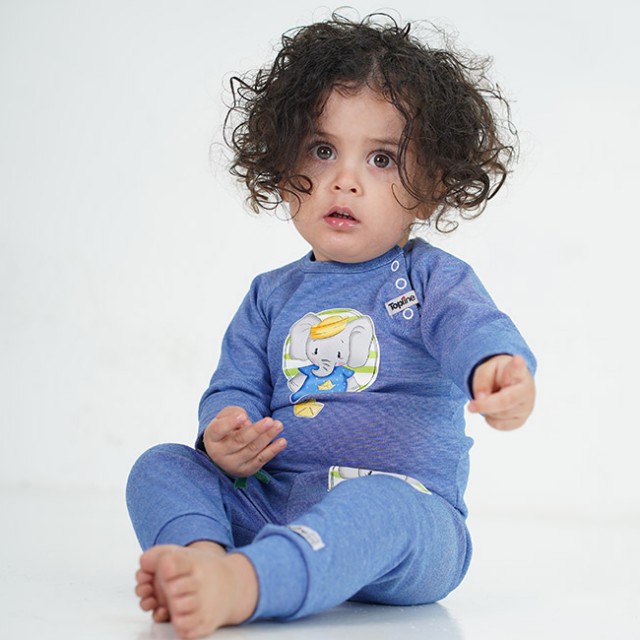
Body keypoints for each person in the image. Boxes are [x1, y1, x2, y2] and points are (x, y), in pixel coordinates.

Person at [126, 12, 536, 639]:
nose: (345, 179)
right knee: (162, 465)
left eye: (382, 159)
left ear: (429, 189)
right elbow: (235, 386)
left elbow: (473, 329)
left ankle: (247, 584)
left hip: (406, 523)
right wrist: (224, 433)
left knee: (383, 505)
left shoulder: (430, 279)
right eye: (323, 151)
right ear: (280, 162)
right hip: (273, 506)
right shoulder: (270, 295)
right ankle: (205, 560)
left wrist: (497, 369)